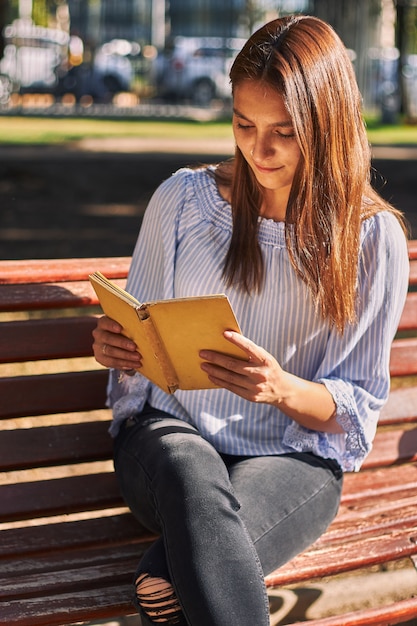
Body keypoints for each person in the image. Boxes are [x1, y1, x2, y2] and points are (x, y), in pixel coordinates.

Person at [92, 15, 409, 626]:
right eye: (243, 124)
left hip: (293, 460)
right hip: (168, 441)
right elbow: (139, 342)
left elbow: (356, 405)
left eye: (283, 133)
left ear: (328, 127)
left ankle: (169, 583)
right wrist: (120, 345)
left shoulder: (371, 239)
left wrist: (280, 387)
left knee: (171, 584)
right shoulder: (183, 200)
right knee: (193, 474)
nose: (257, 150)